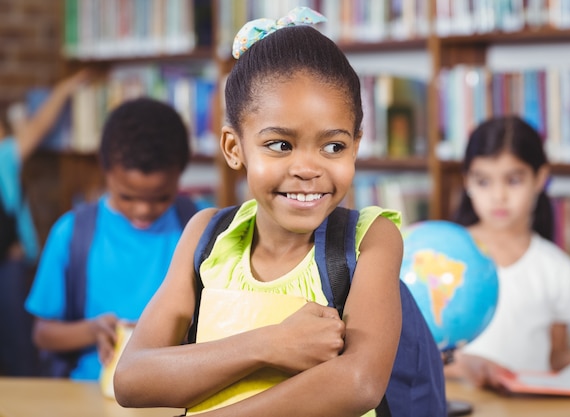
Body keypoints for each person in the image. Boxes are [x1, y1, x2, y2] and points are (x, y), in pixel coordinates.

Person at [114, 8, 405, 417]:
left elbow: (359, 382)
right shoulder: (206, 235)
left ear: (356, 146)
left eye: (333, 147)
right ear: (235, 149)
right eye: (281, 145)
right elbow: (131, 378)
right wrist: (271, 344)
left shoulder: (370, 238)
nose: (308, 168)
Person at [25, 96, 200, 380]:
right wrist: (92, 330)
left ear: (180, 176)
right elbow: (43, 333)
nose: (142, 209)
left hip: (175, 391)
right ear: (104, 170)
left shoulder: (201, 227)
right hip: (87, 390)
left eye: (161, 198)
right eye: (127, 196)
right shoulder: (72, 233)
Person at [446, 115, 570, 389]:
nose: (498, 195)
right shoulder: (443, 254)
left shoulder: (556, 269)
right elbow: (416, 350)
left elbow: (553, 361)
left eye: (513, 180)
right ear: (467, 181)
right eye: (483, 181)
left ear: (540, 178)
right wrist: (469, 365)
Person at [0, 70, 91, 376]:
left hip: (10, 263)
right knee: (19, 353)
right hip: (7, 264)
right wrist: (63, 89)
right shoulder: (4, 157)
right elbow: (37, 128)